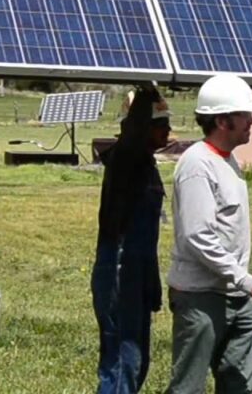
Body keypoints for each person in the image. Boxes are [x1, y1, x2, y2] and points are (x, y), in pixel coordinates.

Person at [164, 73, 252, 394]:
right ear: (223, 120)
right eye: (244, 115)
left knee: (240, 385)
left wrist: (240, 284)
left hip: (236, 297)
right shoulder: (197, 165)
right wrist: (243, 278)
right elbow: (198, 236)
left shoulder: (227, 160)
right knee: (189, 387)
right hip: (201, 297)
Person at [91, 84, 171, 393]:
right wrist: (146, 90)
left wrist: (151, 284)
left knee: (136, 362)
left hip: (137, 272)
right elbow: (132, 138)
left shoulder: (146, 165)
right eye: (160, 124)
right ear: (140, 127)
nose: (168, 130)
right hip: (118, 271)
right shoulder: (126, 159)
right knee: (122, 365)